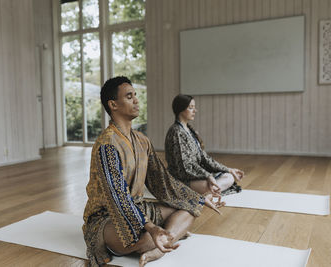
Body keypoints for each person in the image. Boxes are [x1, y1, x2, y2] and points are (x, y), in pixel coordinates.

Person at [82, 77, 223, 267]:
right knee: (145, 237)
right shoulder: (106, 145)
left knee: (189, 208)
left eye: (135, 96)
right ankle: (165, 237)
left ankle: (159, 247)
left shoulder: (142, 140)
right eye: (129, 96)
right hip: (107, 217)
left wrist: (197, 198)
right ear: (113, 104)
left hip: (139, 208)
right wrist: (152, 227)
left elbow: (162, 180)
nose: (136, 100)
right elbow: (119, 198)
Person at [165, 94, 244, 196]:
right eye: (191, 108)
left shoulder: (189, 130)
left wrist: (228, 169)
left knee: (228, 176)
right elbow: (184, 167)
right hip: (180, 179)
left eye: (194, 107)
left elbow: (205, 159)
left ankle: (210, 193)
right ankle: (209, 193)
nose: (195, 110)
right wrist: (208, 176)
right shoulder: (176, 132)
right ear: (181, 109)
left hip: (194, 175)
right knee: (215, 182)